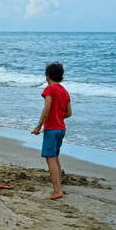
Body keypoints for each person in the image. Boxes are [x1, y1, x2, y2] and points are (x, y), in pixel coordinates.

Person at [31, 62, 72, 200]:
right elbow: (69, 113)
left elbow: (47, 108)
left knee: (50, 159)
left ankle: (57, 190)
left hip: (52, 128)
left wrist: (39, 126)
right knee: (56, 157)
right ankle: (59, 187)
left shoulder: (50, 90)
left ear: (47, 77)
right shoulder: (65, 91)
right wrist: (58, 115)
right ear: (62, 77)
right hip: (61, 128)